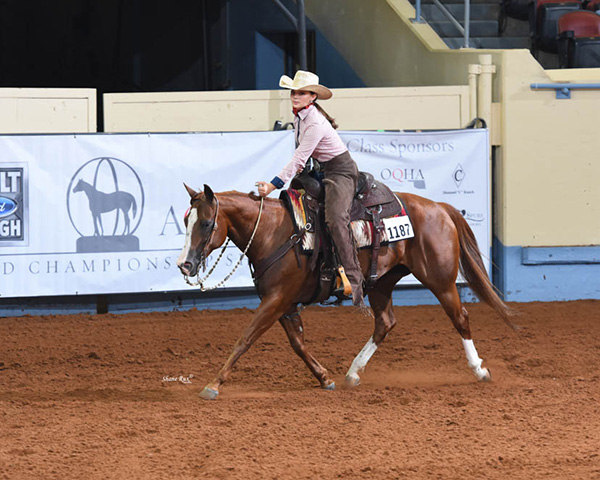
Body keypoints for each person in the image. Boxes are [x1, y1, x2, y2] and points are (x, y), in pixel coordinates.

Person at [256, 70, 365, 307]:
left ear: (312, 97)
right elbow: (301, 160)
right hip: (322, 170)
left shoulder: (314, 122)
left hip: (341, 172)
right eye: (294, 92)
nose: (295, 96)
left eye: (301, 92)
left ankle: (353, 280)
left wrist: (274, 184)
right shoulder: (300, 117)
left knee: (336, 219)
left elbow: (298, 158)